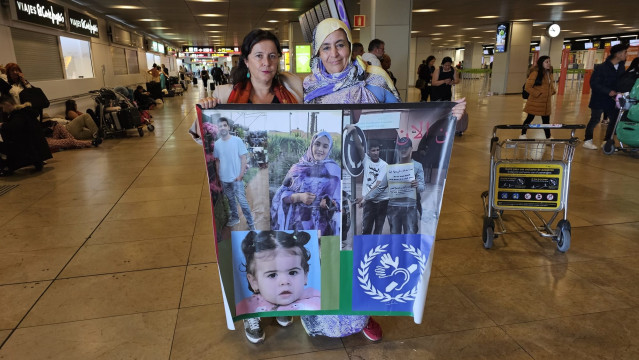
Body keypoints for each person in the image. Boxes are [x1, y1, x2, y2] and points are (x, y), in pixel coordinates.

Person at [300, 17, 465, 343]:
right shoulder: (308, 87)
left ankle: (361, 313)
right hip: (329, 183)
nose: (334, 53)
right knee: (327, 247)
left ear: (350, 45)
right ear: (317, 52)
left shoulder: (375, 80)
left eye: (341, 44)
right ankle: (322, 314)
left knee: (363, 243)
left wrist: (449, 113)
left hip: (370, 178)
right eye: (326, 46)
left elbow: (408, 114)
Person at [196, 28, 303, 344]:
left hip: (280, 176)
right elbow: (198, 134)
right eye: (259, 55)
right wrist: (207, 108)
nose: (266, 63)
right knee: (249, 243)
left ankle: (281, 300)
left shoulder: (290, 91)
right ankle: (253, 312)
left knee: (279, 242)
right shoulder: (228, 94)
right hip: (247, 179)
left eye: (273, 55)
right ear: (246, 59)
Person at [270, 131, 341, 237]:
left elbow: (339, 203)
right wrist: (298, 197)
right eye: (317, 144)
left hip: (325, 230)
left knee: (322, 253)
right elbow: (280, 196)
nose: (320, 149)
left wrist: (328, 205)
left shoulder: (334, 171)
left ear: (329, 149)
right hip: (298, 227)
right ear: (311, 144)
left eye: (325, 146)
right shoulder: (297, 169)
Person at [235, 230, 320, 314]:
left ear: (305, 276)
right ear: (254, 282)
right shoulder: (246, 308)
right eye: (272, 275)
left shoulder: (316, 303)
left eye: (293, 272)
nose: (285, 282)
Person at [365, 137, 425, 234]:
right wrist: (366, 198)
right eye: (400, 147)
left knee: (410, 238)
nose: (403, 150)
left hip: (410, 207)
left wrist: (417, 185)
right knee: (395, 237)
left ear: (411, 148)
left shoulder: (417, 166)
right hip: (393, 208)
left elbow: (422, 188)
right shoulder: (392, 169)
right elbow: (380, 187)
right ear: (398, 149)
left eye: (406, 147)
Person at [345, 124, 389, 235]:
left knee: (378, 230)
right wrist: (354, 131)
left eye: (378, 150)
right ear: (369, 152)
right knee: (366, 229)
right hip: (369, 202)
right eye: (373, 150)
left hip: (382, 202)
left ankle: (376, 250)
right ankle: (366, 250)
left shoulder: (384, 165)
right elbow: (359, 147)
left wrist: (364, 198)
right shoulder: (366, 160)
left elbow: (378, 185)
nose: (376, 152)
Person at [214, 117, 256, 231]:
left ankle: (251, 223)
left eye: (224, 125)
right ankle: (235, 218)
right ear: (218, 128)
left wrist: (240, 175)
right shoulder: (217, 144)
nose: (222, 127)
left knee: (242, 202)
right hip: (224, 178)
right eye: (220, 126)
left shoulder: (237, 140)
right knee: (231, 200)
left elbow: (243, 158)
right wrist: (218, 176)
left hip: (236, 178)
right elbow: (217, 161)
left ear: (228, 127)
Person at [583, 43, 628, 150]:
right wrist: (608, 91)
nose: (626, 54)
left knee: (614, 120)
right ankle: (587, 140)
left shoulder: (621, 67)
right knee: (595, 119)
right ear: (618, 54)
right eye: (625, 52)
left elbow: (621, 82)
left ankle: (607, 141)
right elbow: (594, 83)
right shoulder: (602, 67)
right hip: (599, 99)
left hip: (613, 100)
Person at [0, 94, 52, 176]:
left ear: (7, 104)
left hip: (26, 149)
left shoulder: (18, 114)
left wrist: (3, 125)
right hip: (37, 148)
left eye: (2, 107)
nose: (3, 110)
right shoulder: (26, 112)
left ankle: (6, 168)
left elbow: (14, 127)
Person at [520, 56, 555, 139]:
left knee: (546, 121)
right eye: (546, 62)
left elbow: (550, 85)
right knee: (529, 118)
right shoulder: (535, 73)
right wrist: (537, 94)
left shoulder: (549, 73)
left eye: (549, 61)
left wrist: (552, 91)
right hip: (535, 102)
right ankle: (523, 134)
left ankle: (548, 137)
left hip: (546, 103)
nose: (549, 63)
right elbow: (527, 87)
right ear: (541, 63)